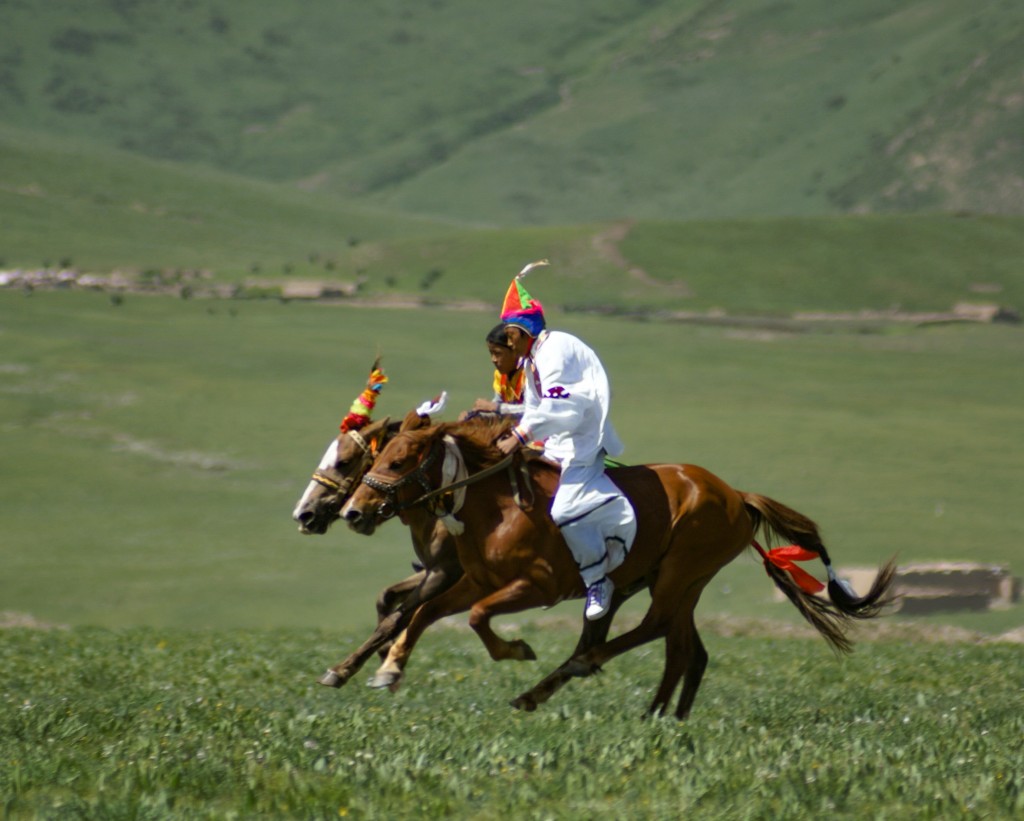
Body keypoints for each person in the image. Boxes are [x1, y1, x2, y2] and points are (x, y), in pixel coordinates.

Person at [495, 261, 636, 621]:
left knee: (562, 511)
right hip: (558, 441)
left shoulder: (554, 350)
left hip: (582, 442)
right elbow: (532, 408)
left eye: (509, 335)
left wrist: (521, 436)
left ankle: (596, 579)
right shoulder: (532, 359)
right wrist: (499, 416)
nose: (505, 342)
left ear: (523, 331)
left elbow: (563, 409)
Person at [462, 324, 526, 421]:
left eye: (498, 353)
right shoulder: (500, 375)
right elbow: (496, 406)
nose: (493, 359)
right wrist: (474, 414)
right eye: (491, 353)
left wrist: (495, 408)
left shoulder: (530, 374)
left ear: (514, 351)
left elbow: (533, 411)